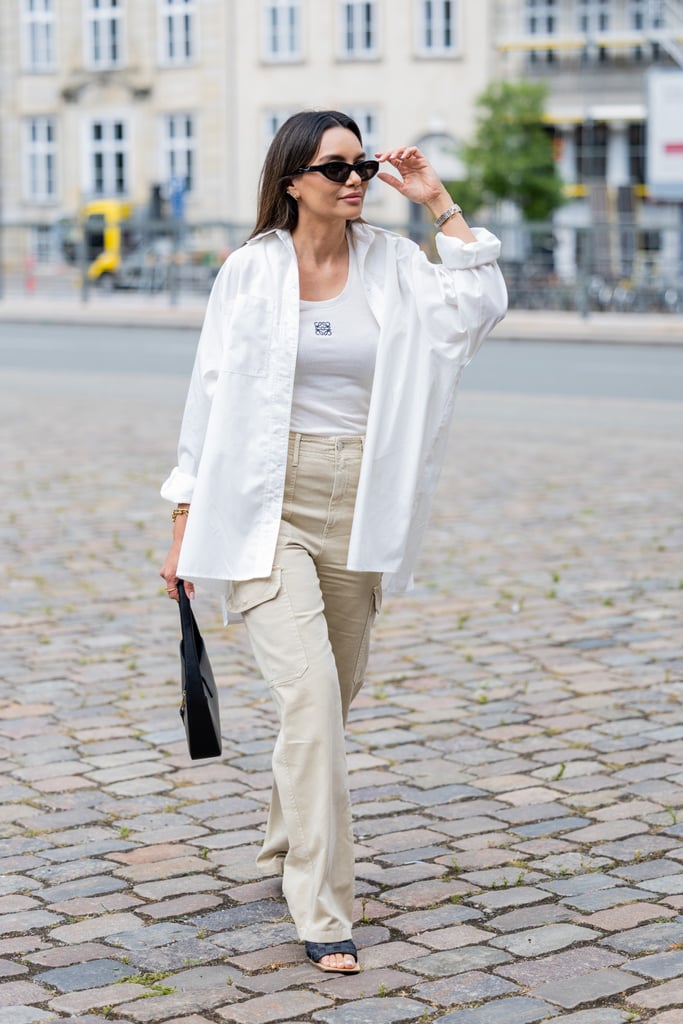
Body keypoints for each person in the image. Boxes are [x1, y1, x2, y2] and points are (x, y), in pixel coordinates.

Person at [160, 110, 507, 974]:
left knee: (331, 696)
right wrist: (181, 522)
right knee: (310, 694)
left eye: (361, 164)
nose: (353, 180)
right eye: (334, 168)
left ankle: (285, 829)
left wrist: (437, 202)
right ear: (290, 182)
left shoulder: (392, 264)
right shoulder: (248, 272)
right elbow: (208, 396)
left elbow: (478, 307)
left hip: (359, 504)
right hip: (261, 504)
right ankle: (320, 907)